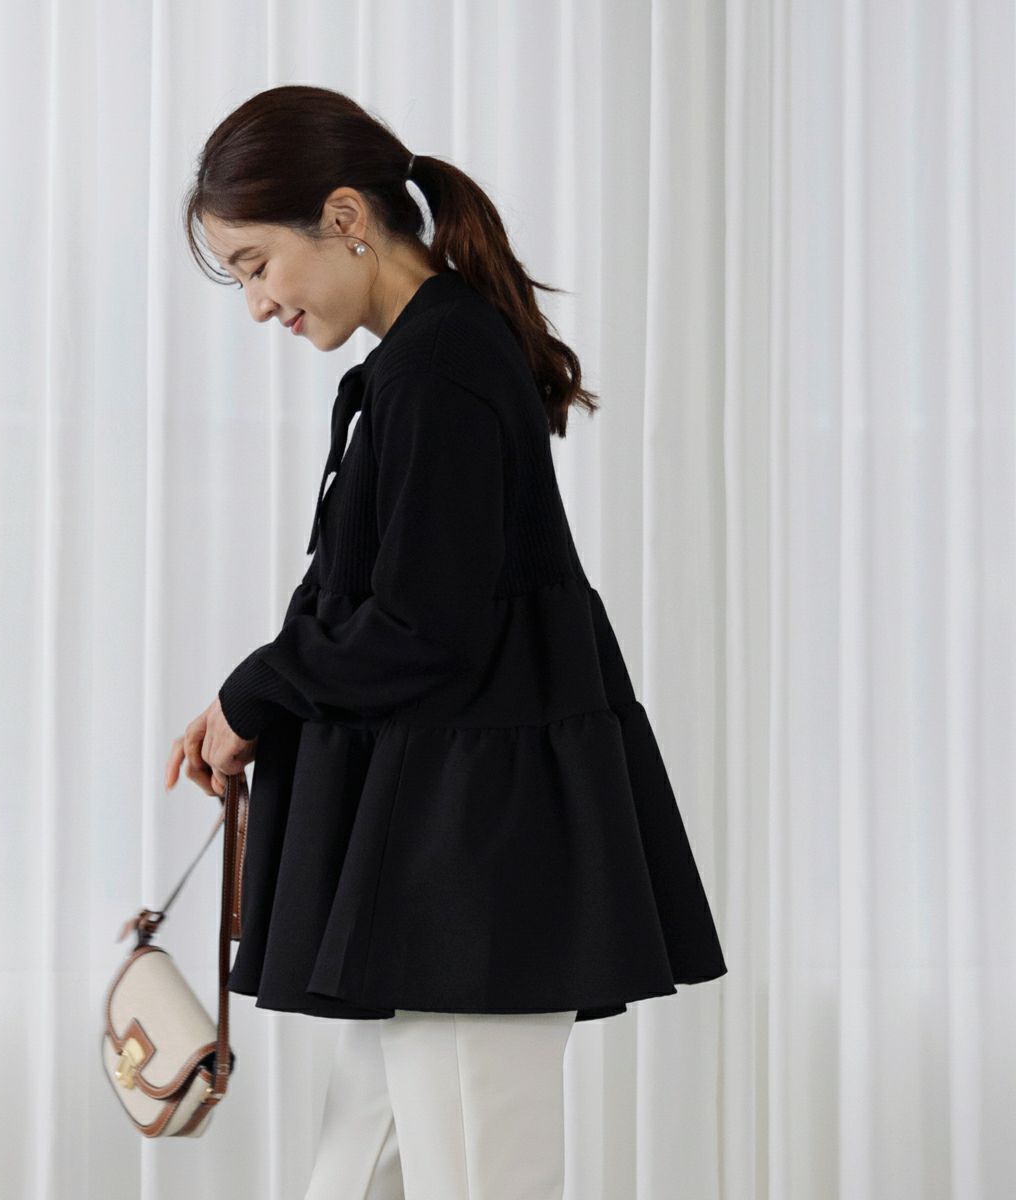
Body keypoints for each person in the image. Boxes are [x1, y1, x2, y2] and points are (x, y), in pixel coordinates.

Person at [164, 84, 728, 1200]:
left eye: (256, 265)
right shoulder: (425, 360)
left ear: (343, 216)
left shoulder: (443, 368)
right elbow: (397, 609)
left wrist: (255, 692)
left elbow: (423, 629)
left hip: (472, 865)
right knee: (357, 1174)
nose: (259, 305)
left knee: (473, 1174)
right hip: (439, 859)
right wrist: (251, 701)